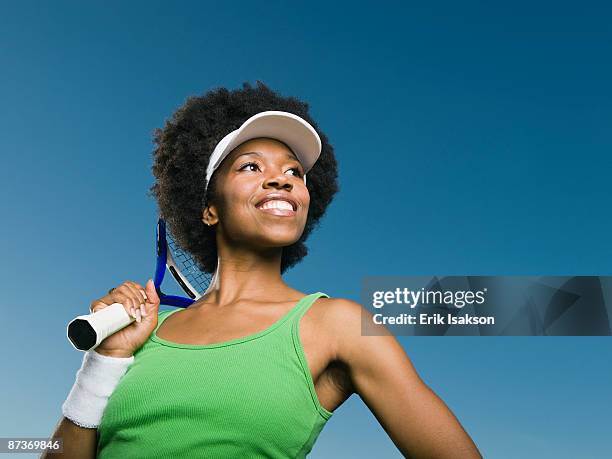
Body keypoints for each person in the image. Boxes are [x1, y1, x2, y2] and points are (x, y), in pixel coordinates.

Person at [44, 81, 482, 458]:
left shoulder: (337, 327)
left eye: (295, 172)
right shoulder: (144, 332)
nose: (283, 179)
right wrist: (108, 358)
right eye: (251, 166)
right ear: (210, 210)